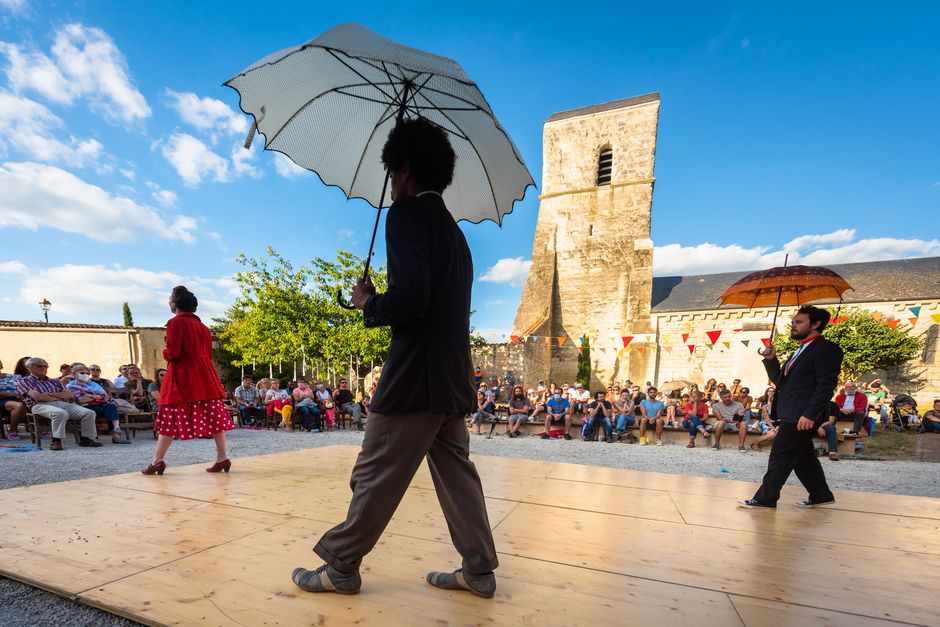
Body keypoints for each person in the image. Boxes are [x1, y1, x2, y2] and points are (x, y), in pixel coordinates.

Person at [292, 118, 498, 598]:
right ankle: (479, 569)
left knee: (375, 472)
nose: (390, 184)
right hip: (450, 379)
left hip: (415, 378)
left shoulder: (407, 215)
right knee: (455, 476)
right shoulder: (453, 231)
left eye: (391, 172)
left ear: (402, 168)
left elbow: (411, 301)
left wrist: (369, 303)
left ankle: (341, 565)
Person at [739, 305, 841, 510]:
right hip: (791, 412)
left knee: (780, 455)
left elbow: (826, 386)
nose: (793, 326)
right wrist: (771, 359)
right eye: (793, 322)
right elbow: (781, 381)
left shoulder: (826, 349)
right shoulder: (802, 349)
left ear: (816, 324)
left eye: (799, 322)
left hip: (802, 414)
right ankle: (821, 494)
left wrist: (810, 414)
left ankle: (765, 498)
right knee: (803, 457)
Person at [142, 286, 233, 475]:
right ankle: (222, 458)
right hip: (205, 376)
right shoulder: (203, 328)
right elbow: (207, 354)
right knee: (214, 417)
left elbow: (173, 353)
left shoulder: (176, 323)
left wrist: (165, 350)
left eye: (169, 299)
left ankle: (157, 461)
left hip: (182, 376)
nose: (168, 302)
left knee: (169, 417)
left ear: (175, 304)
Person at [16, 357, 101, 450]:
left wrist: (49, 394)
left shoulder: (54, 381)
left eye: (45, 366)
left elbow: (69, 395)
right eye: (39, 366)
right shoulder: (24, 381)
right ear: (29, 367)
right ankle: (56, 441)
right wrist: (59, 395)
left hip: (62, 403)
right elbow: (38, 397)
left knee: (89, 413)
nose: (43, 368)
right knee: (60, 413)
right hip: (40, 405)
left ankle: (86, 439)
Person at [67, 364, 129, 444]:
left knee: (110, 406)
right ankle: (92, 437)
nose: (85, 375)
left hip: (99, 404)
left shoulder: (93, 384)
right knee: (101, 410)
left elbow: (105, 396)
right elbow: (81, 400)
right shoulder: (71, 386)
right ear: (75, 374)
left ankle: (116, 433)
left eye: (87, 373)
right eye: (82, 373)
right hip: (85, 406)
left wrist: (90, 396)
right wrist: (96, 396)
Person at [0, 358, 27, 439]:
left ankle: (39, 428)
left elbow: (23, 386)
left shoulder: (13, 377)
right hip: (3, 400)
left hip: (20, 397)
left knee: (35, 401)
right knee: (19, 406)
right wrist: (12, 394)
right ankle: (13, 430)